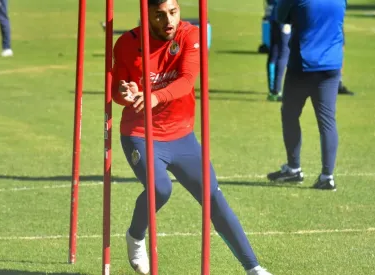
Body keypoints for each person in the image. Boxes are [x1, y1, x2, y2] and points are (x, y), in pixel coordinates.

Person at [111, 0, 272, 274]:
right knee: (160, 189)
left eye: (173, 12)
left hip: (182, 136)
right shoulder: (127, 43)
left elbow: (187, 79)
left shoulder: (190, 35)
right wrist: (124, 94)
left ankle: (254, 268)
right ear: (146, 14)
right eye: (160, 16)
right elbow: (117, 91)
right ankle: (136, 236)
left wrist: (155, 96)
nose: (169, 21)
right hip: (140, 134)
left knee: (214, 198)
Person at [266, 0, 347, 191]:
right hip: (331, 66)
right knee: (327, 121)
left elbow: (280, 17)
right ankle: (327, 176)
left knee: (290, 115)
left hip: (302, 66)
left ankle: (294, 168)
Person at [266, 0, 291, 102]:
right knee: (283, 53)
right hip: (285, 17)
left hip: (274, 15)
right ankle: (277, 90)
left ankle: (273, 90)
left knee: (274, 52)